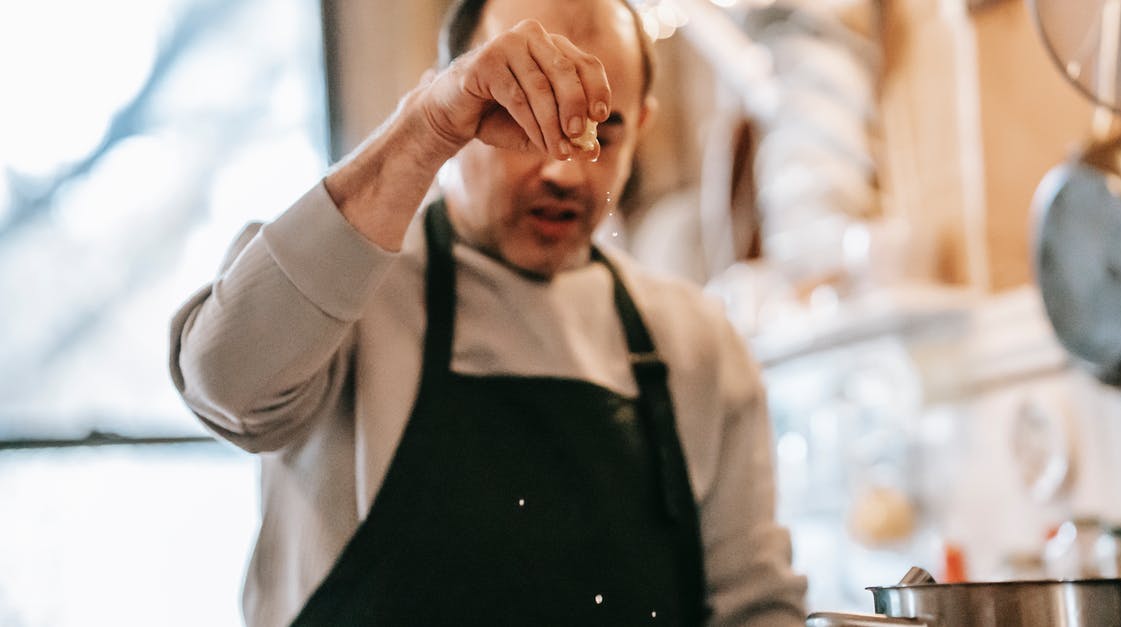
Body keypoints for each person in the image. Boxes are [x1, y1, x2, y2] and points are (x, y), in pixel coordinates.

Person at [169, 0, 807, 624]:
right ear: (452, 105)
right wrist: (421, 132)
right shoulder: (344, 291)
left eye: (601, 132)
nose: (563, 168)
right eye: (522, 119)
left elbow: (755, 605)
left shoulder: (698, 344)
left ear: (640, 126)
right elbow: (224, 382)